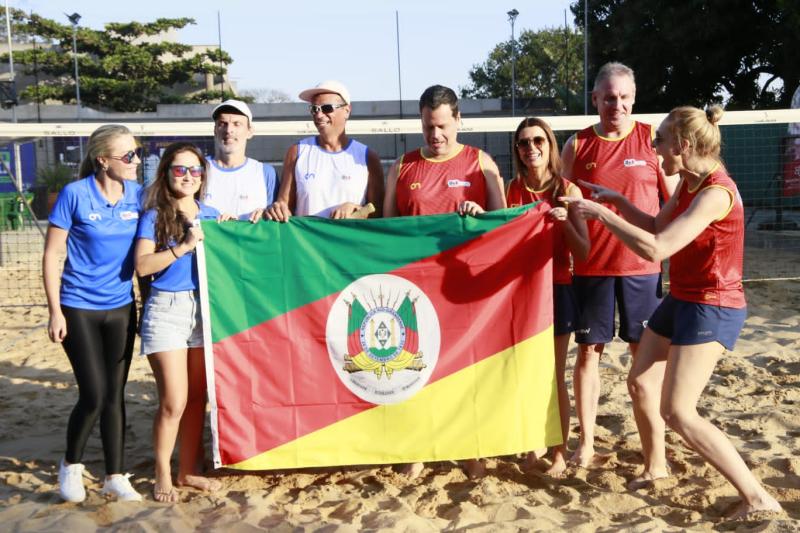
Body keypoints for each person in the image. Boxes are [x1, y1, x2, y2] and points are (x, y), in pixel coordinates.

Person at [567, 105, 783, 519]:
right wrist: (618, 202)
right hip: (682, 297)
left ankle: (757, 497)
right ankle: (657, 466)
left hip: (713, 303)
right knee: (641, 383)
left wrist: (603, 215)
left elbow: (657, 249)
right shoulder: (687, 181)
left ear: (683, 145)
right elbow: (653, 226)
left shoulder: (716, 193)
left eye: (660, 141)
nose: (655, 148)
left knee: (679, 411)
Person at [383, 84, 506, 478]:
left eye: (442, 127)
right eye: (427, 127)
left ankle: (470, 448)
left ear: (458, 121)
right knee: (416, 369)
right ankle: (419, 446)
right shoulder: (402, 166)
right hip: (415, 288)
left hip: (464, 287)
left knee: (466, 370)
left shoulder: (480, 162)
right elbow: (385, 230)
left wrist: (479, 215)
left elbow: (503, 225)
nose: (435, 136)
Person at [560, 62, 678, 466]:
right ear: (595, 99)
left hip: (641, 269)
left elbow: (674, 204)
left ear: (634, 98)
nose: (617, 105)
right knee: (589, 353)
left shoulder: (651, 140)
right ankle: (588, 441)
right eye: (609, 98)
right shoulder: (576, 145)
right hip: (592, 268)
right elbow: (562, 205)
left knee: (642, 355)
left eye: (624, 97)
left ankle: (653, 445)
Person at [43, 124, 144, 502]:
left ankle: (115, 476)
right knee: (94, 394)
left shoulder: (138, 195)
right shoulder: (75, 194)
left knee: (115, 395)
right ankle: (71, 464)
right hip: (78, 306)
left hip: (121, 306)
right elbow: (53, 254)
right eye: (128, 155)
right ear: (103, 160)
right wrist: (55, 312)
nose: (136, 161)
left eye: (137, 153)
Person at [135, 142, 232, 502]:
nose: (188, 176)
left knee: (196, 400)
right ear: (166, 173)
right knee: (173, 401)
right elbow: (143, 266)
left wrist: (230, 229)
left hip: (205, 309)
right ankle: (162, 472)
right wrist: (184, 246)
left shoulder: (213, 213)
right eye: (180, 169)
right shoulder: (154, 216)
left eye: (195, 170)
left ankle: (187, 470)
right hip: (167, 309)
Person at [506, 117, 589, 476]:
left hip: (557, 288)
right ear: (518, 151)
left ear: (550, 145)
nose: (532, 148)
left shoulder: (569, 190)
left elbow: (584, 251)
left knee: (554, 374)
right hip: (520, 291)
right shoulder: (512, 189)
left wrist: (565, 221)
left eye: (538, 140)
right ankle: (529, 447)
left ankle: (558, 451)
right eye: (524, 143)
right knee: (525, 373)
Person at [265, 80, 383, 221]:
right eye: (314, 109)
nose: (319, 115)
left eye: (327, 108)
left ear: (347, 110)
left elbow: (379, 212)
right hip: (308, 242)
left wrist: (356, 208)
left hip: (349, 242)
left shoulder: (368, 156)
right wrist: (278, 209)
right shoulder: (297, 152)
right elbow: (285, 207)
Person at [205, 99, 278, 222]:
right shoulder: (198, 170)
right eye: (222, 124)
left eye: (237, 124)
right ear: (215, 130)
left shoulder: (265, 173)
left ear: (250, 131)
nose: (229, 130)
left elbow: (276, 219)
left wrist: (267, 214)